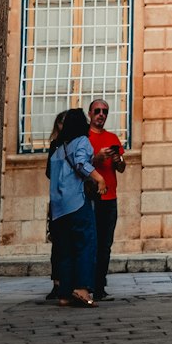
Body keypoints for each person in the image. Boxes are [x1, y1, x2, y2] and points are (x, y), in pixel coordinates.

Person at [49, 107, 105, 306]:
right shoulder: (81, 142)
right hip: (76, 203)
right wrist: (99, 178)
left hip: (58, 208)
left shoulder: (57, 149)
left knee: (65, 249)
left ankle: (64, 294)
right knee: (86, 244)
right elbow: (81, 163)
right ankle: (82, 289)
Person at [88, 98, 125, 302]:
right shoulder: (84, 137)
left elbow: (121, 168)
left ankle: (100, 286)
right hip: (90, 197)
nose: (101, 114)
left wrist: (118, 160)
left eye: (105, 111)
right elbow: (81, 164)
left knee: (105, 244)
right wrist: (97, 159)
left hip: (110, 197)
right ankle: (87, 284)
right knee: (90, 243)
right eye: (97, 111)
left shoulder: (112, 138)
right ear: (90, 114)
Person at [43, 111, 67, 301]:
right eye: (61, 123)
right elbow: (49, 172)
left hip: (70, 200)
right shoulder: (55, 146)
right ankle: (57, 282)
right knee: (58, 243)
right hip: (58, 200)